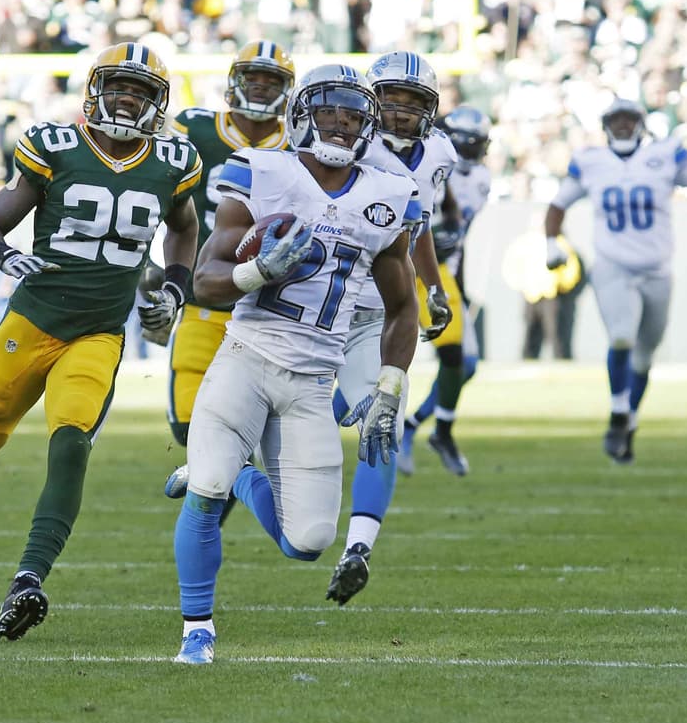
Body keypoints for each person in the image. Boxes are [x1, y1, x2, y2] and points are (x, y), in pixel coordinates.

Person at [171, 65, 420, 664]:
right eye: (330, 110)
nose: (341, 123)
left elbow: (403, 306)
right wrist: (259, 271)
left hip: (314, 381)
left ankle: (241, 475)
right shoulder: (264, 173)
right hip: (247, 358)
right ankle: (197, 630)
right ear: (303, 115)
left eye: (355, 115)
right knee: (204, 490)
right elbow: (205, 281)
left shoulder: (387, 197)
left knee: (307, 543)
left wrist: (390, 383)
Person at [0, 41, 201, 641]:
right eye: (119, 87)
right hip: (30, 323)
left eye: (140, 92)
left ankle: (28, 579)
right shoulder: (55, 147)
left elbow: (186, 229)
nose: (127, 99)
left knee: (71, 445)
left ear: (158, 104)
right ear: (95, 90)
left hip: (97, 334)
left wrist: (174, 288)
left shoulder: (172, 161)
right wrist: (6, 257)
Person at [545, 98, 687, 464]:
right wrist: (551, 241)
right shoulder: (591, 161)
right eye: (617, 120)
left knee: (644, 357)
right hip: (612, 265)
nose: (623, 125)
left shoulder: (664, 155)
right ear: (606, 125)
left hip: (656, 269)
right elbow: (558, 205)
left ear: (641, 124)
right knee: (622, 335)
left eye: (630, 119)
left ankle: (629, 421)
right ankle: (617, 414)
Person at [322, 50, 458, 609]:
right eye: (392, 100)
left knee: (382, 422)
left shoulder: (439, 155)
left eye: (413, 103)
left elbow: (416, 226)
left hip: (376, 310)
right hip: (314, 301)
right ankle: (223, 462)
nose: (400, 113)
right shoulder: (339, 136)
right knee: (277, 407)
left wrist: (432, 287)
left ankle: (358, 547)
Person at [159, 40, 295, 445]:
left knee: (257, 436)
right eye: (251, 78)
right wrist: (160, 273)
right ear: (233, 81)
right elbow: (160, 201)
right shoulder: (194, 128)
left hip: (272, 310)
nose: (259, 87)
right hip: (205, 296)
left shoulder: (302, 145)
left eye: (271, 81)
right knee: (187, 429)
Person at [398, 104, 492, 476]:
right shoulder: (423, 163)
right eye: (468, 145)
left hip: (441, 275)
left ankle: (428, 427)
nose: (473, 153)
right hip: (402, 268)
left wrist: (461, 284)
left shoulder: (480, 178)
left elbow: (456, 230)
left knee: (462, 362)